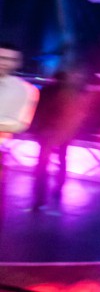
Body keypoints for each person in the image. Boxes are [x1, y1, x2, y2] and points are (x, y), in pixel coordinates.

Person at [31, 69, 88, 210]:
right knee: (62, 160)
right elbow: (77, 115)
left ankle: (40, 198)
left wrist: (36, 130)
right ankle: (58, 188)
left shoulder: (46, 91)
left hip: (47, 131)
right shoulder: (72, 93)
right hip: (63, 133)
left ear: (53, 79)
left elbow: (38, 111)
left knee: (43, 164)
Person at [0, 42, 39, 142]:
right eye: (2, 58)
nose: (4, 63)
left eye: (11, 59)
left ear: (18, 63)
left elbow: (21, 125)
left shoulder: (27, 90)